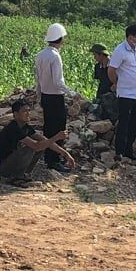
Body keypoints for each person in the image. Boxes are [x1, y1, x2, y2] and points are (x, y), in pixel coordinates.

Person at [0, 100, 75, 186]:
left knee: (43, 144)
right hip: (4, 167)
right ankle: (15, 176)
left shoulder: (25, 127)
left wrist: (66, 154)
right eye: (24, 111)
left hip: (11, 162)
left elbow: (45, 140)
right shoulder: (13, 128)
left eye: (28, 110)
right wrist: (56, 137)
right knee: (32, 148)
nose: (28, 113)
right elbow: (36, 146)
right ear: (16, 114)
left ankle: (23, 174)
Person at [34, 22, 79, 172]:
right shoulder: (55, 56)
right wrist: (72, 93)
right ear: (60, 39)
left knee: (48, 128)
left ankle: (49, 157)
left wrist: (39, 97)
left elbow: (38, 80)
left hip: (46, 97)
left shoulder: (40, 55)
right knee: (58, 130)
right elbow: (58, 82)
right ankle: (55, 160)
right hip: (55, 98)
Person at [108, 24, 136, 160]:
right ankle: (119, 152)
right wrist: (116, 83)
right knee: (124, 123)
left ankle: (128, 150)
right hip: (125, 94)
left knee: (134, 124)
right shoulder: (120, 50)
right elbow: (112, 70)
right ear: (130, 37)